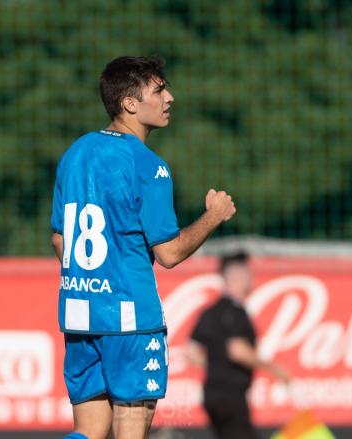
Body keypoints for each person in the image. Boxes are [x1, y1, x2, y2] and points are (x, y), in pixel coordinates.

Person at [50, 56, 237, 439]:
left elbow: (59, 238)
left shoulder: (75, 154)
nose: (170, 97)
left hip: (80, 315)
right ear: (130, 104)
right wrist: (214, 216)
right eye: (159, 90)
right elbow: (169, 253)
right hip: (131, 321)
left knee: (87, 432)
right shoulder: (148, 165)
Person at [187, 250, 289, 439]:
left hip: (211, 393)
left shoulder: (209, 312)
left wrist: (216, 367)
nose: (252, 280)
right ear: (239, 277)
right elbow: (237, 350)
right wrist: (274, 369)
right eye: (249, 274)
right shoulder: (235, 312)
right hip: (231, 395)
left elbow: (191, 352)